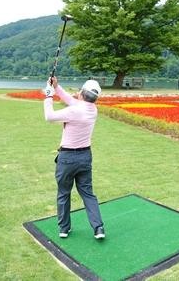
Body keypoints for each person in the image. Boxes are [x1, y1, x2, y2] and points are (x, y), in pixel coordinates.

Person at [43, 76, 105, 240]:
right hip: (85, 157)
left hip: (67, 158)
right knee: (88, 193)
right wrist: (56, 87)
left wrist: (48, 95)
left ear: (83, 94)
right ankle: (98, 228)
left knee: (63, 192)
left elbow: (49, 117)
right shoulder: (92, 109)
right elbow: (71, 101)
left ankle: (64, 228)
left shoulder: (75, 110)